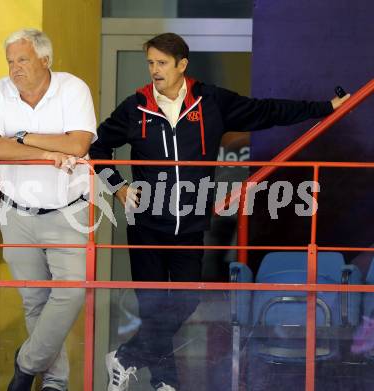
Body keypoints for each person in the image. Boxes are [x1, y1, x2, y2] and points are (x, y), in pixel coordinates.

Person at [90, 32, 349, 391]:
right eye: (150, 63)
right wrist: (118, 187)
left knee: (187, 300)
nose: (155, 70)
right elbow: (98, 148)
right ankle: (166, 383)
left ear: (182, 65)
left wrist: (324, 108)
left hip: (191, 223)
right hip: (146, 224)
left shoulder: (210, 101)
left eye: (162, 63)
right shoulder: (136, 108)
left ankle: (127, 356)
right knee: (151, 306)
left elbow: (266, 111)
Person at [0, 29, 97, 391]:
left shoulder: (73, 88)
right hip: (16, 214)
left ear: (45, 59)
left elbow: (77, 143)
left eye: (22, 60)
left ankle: (26, 365)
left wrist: (22, 137)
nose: (15, 69)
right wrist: (44, 153)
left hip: (68, 212)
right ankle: (55, 383)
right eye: (10, 61)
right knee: (35, 300)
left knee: (71, 292)